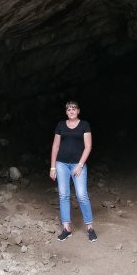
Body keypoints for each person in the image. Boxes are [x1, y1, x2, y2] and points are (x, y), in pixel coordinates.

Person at [50, 101, 97, 242]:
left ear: (78, 111)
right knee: (64, 195)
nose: (71, 111)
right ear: (66, 112)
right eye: (69, 109)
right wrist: (52, 167)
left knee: (82, 195)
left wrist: (80, 165)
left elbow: (88, 146)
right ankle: (67, 228)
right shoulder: (60, 125)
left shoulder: (84, 125)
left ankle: (90, 228)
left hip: (78, 164)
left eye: (74, 109)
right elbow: (55, 146)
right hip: (61, 164)